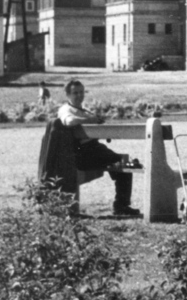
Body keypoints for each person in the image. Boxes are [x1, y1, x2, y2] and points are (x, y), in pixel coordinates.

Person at [57, 79, 139, 217]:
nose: (79, 96)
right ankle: (121, 205)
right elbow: (69, 121)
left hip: (95, 149)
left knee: (123, 162)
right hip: (81, 154)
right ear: (67, 95)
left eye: (81, 92)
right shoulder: (66, 109)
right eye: (75, 93)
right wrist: (90, 120)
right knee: (123, 163)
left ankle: (122, 204)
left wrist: (98, 123)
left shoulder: (84, 110)